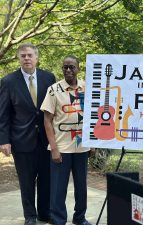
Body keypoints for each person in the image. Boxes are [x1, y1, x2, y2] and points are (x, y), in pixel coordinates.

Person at [0, 43, 56, 225]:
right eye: (23, 56)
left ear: (36, 58)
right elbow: (3, 114)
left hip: (47, 139)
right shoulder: (8, 81)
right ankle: (30, 216)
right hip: (21, 140)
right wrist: (4, 140)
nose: (26, 58)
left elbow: (56, 110)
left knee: (47, 179)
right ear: (19, 58)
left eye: (29, 55)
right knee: (26, 181)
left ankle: (44, 213)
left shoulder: (49, 78)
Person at [41, 55, 92, 225]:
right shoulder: (53, 90)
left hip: (82, 147)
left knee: (81, 187)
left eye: (71, 67)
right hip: (61, 147)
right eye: (65, 67)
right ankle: (58, 220)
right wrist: (54, 147)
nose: (68, 70)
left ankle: (80, 218)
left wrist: (93, 143)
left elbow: (94, 117)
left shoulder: (88, 87)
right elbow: (47, 120)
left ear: (78, 68)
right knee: (58, 188)